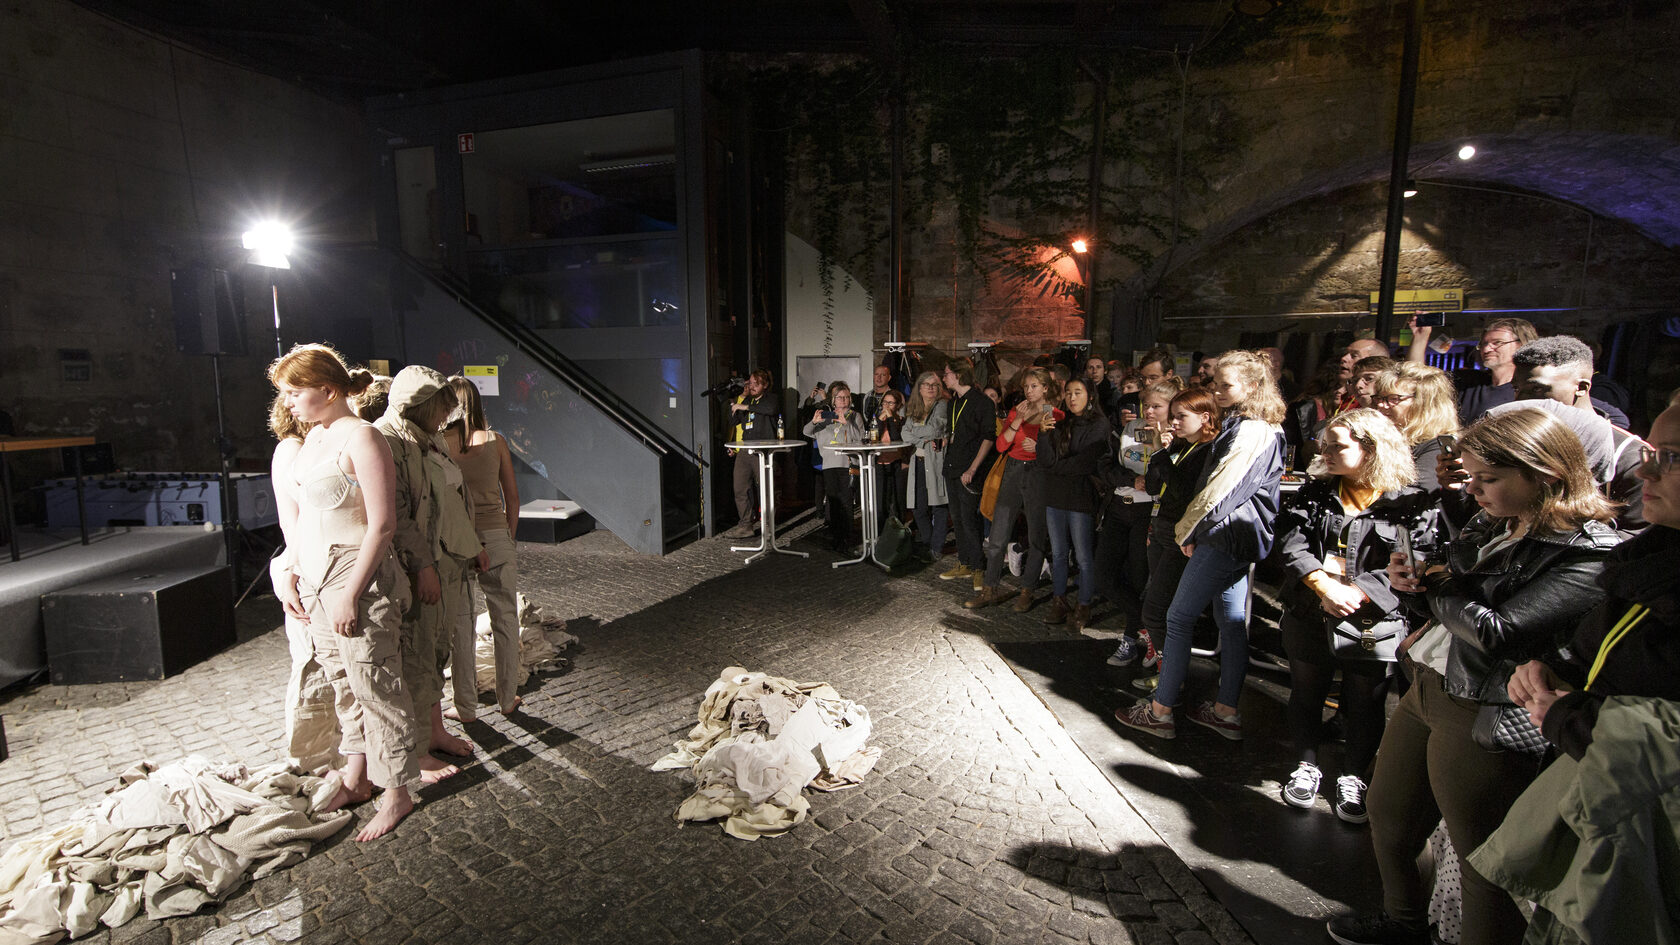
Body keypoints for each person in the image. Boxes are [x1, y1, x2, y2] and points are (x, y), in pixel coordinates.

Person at [1328, 407, 1620, 945]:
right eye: (1470, 476)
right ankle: (1404, 923)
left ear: (1547, 473)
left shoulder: (1591, 551)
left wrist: (1435, 587)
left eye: (1488, 479)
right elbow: (1460, 610)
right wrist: (1417, 585)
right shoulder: (1497, 522)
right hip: (1430, 684)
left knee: (1479, 858)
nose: (1475, 490)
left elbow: (1495, 631)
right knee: (1388, 815)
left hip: (1487, 707)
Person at [1473, 394, 1680, 943]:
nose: (1648, 469)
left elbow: (1498, 627)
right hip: (1603, 807)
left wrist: (1566, 712)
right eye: (1653, 451)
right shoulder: (1647, 563)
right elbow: (1602, 659)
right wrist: (1553, 669)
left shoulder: (1596, 551)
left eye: (1674, 457)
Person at [268, 344, 421, 841]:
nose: (287, 402)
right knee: (342, 683)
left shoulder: (363, 438)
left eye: (295, 392)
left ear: (327, 391)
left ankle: (397, 789)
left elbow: (382, 525)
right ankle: (357, 776)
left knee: (376, 683)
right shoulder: (313, 440)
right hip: (316, 582)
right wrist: (291, 571)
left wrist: (350, 593)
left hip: (357, 579)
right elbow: (304, 521)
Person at [1273, 409, 1437, 824]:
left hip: (1373, 618)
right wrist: (1323, 586)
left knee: (1367, 701)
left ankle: (1353, 777)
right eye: (1324, 444)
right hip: (1311, 608)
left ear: (1371, 448)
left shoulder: (1409, 500)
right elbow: (1292, 543)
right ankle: (1306, 766)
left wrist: (1360, 591)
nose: (1324, 452)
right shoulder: (1315, 492)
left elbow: (1415, 558)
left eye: (1337, 445)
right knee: (1307, 691)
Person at [1114, 350, 1285, 741]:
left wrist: (1187, 531)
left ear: (1253, 387)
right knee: (1231, 622)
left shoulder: (1252, 429)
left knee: (1177, 618)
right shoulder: (1254, 426)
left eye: (1226, 385)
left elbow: (1222, 489)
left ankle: (1160, 711)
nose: (1218, 391)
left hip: (1224, 536)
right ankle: (1224, 710)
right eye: (1217, 383)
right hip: (1235, 536)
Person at [376, 366, 482, 781]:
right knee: (416, 654)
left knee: (437, 649)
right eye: (439, 409)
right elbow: (398, 515)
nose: (445, 418)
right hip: (421, 564)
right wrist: (422, 566)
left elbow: (453, 496)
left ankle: (434, 730)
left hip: (449, 556)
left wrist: (471, 547)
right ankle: (416, 750)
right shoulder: (388, 440)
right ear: (418, 407)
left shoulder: (429, 438)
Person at [1122, 387, 1221, 681]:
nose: (1174, 423)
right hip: (1162, 529)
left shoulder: (1208, 451)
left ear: (1205, 417)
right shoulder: (1182, 446)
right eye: (1173, 416)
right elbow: (1154, 488)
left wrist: (1163, 454)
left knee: (1156, 610)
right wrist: (1160, 451)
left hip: (1182, 538)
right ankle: (1165, 674)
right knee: (1156, 606)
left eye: (1181, 417)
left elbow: (1183, 491)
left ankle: (1169, 682)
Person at [266, 393, 341, 774]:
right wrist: (294, 575)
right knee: (311, 664)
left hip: (310, 562)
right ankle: (310, 759)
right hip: (301, 564)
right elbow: (295, 521)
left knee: (326, 665)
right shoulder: (291, 448)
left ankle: (334, 753)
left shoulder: (310, 446)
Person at [442, 375, 523, 717]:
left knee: (461, 624)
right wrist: (508, 537)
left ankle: (465, 706)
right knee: (505, 619)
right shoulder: (496, 441)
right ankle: (507, 699)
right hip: (496, 535)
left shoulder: (440, 443)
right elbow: (513, 499)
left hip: (456, 542)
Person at [1098, 378, 1181, 654]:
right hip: (1120, 505)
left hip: (1149, 512)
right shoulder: (1129, 429)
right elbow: (1108, 467)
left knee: (1138, 578)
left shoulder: (1177, 439)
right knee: (1103, 576)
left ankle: (1132, 637)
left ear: (1172, 409)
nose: (1149, 411)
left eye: (1157, 406)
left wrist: (1162, 449)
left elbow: (1164, 483)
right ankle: (1146, 627)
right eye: (1147, 405)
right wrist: (1131, 479)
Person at [967, 367, 1060, 611]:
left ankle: (1027, 590)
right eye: (1026, 387)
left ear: (1046, 388)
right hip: (1013, 470)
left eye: (1034, 387)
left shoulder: (1053, 413)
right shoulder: (1016, 411)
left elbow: (1056, 449)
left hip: (1038, 473)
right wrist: (1017, 420)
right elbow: (1000, 445)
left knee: (1036, 535)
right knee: (998, 533)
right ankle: (990, 587)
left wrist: (1038, 444)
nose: (1029, 391)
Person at [1035, 378, 1113, 631]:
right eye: (1068, 392)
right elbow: (1044, 459)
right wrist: (1043, 433)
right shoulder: (1059, 422)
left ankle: (1083, 603)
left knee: (1083, 555)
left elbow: (1085, 463)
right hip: (1055, 494)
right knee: (1058, 552)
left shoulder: (1099, 424)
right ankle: (1059, 599)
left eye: (1078, 392)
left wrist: (1055, 467)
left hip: (1081, 495)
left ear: (1090, 395)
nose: (1072, 397)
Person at [939, 358, 997, 587]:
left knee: (970, 520)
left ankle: (978, 567)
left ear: (958, 375)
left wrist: (973, 468)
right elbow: (957, 432)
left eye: (946, 373)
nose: (944, 378)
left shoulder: (982, 403)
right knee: (958, 520)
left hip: (969, 470)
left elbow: (988, 437)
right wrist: (945, 440)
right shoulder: (954, 402)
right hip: (952, 466)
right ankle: (964, 562)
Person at [1371, 362, 1459, 492]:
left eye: (1394, 399)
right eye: (1379, 398)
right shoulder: (1382, 439)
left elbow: (1414, 492)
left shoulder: (1436, 447)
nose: (1382, 405)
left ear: (1424, 404)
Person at [1510, 335, 1631, 429]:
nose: (1520, 400)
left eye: (1536, 389)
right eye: (1516, 389)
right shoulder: (1518, 440)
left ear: (1581, 388)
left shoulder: (1620, 450)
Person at [803, 380, 864, 551]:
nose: (843, 400)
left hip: (847, 462)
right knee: (833, 500)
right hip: (829, 463)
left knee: (846, 500)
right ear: (833, 400)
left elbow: (859, 438)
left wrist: (847, 423)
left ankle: (846, 536)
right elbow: (806, 432)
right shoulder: (826, 416)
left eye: (846, 397)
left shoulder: (855, 416)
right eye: (839, 397)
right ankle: (835, 534)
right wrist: (814, 421)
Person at [724, 369, 780, 539]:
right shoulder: (746, 399)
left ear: (765, 385)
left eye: (757, 384)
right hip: (745, 451)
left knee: (766, 489)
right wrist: (736, 401)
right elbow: (734, 420)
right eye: (750, 383)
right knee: (740, 488)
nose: (752, 386)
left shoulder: (771, 399)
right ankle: (745, 525)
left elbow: (770, 409)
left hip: (763, 451)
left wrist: (745, 405)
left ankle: (769, 525)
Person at [899, 372, 949, 564]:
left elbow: (936, 429)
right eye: (926, 384)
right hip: (917, 463)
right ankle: (929, 542)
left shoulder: (941, 406)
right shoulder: (913, 409)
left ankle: (936, 548)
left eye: (934, 385)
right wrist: (923, 440)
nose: (930, 388)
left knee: (938, 505)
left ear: (939, 389)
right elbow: (904, 434)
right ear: (919, 388)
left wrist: (916, 434)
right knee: (918, 508)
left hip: (935, 462)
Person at [1454, 317, 1538, 424]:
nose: (1486, 349)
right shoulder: (1468, 381)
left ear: (1521, 345)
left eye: (1497, 342)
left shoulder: (1531, 391)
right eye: (1484, 344)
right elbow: (1427, 382)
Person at [1285, 358, 1348, 472]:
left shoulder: (1342, 410)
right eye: (1337, 386)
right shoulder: (1304, 407)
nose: (1340, 391)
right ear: (1329, 385)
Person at [874, 388, 909, 533]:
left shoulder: (901, 421)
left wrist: (890, 419)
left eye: (891, 403)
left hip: (897, 463)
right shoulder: (876, 420)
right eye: (885, 402)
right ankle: (880, 533)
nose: (887, 406)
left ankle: (897, 533)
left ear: (898, 406)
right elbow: (873, 438)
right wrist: (882, 421)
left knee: (898, 500)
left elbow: (896, 439)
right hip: (879, 464)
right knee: (881, 502)